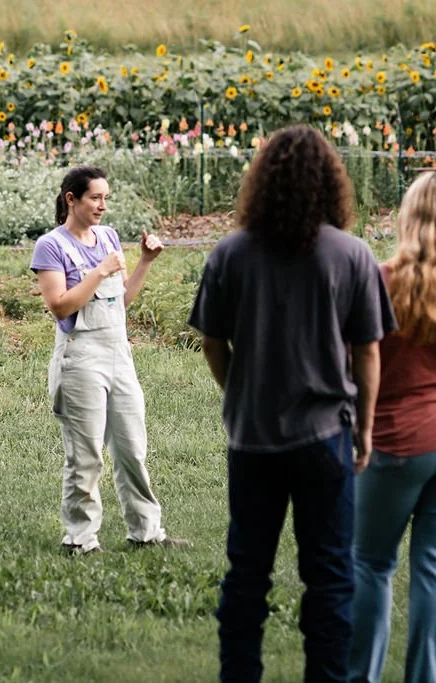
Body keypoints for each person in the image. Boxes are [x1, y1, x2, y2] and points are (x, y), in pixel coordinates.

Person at [188, 125, 397, 682]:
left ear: (262, 183)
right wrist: (367, 428)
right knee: (329, 577)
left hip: (252, 438)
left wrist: (237, 391)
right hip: (326, 436)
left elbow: (212, 340)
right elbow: (368, 352)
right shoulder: (352, 255)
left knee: (247, 574)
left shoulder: (229, 254)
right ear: (332, 184)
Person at [30, 165, 188, 554]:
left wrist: (145, 262)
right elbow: (60, 306)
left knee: (132, 447)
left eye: (106, 198)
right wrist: (100, 272)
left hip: (119, 353)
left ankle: (147, 533)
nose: (103, 206)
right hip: (79, 358)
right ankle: (80, 540)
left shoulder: (109, 237)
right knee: (85, 456)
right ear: (72, 199)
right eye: (95, 198)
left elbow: (121, 303)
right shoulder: (51, 246)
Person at [349, 171, 436, 683]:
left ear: (407, 217)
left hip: (395, 441)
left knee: (370, 563)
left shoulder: (382, 281)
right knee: (429, 568)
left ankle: (359, 676)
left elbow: (358, 360)